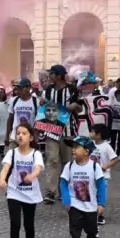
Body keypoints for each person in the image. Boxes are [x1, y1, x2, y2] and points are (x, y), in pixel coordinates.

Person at [0, 124, 44, 238]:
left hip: (31, 194)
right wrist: (2, 180)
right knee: (15, 223)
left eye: (24, 133)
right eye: (18, 133)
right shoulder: (11, 153)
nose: (20, 136)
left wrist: (33, 175)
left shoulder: (35, 154)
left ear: (31, 137)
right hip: (14, 192)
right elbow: (5, 168)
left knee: (29, 224)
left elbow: (38, 168)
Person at [60, 136, 106, 238]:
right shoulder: (69, 167)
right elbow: (63, 183)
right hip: (75, 205)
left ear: (86, 151)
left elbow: (101, 185)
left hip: (90, 207)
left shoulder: (94, 167)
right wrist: (66, 200)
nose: (73, 150)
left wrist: (101, 203)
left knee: (91, 230)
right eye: (72, 148)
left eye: (77, 147)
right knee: (74, 232)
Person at [41, 64, 83, 205]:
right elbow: (44, 108)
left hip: (68, 131)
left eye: (52, 73)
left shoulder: (72, 90)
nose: (50, 76)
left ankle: (64, 188)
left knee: (66, 161)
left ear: (59, 75)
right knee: (52, 160)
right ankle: (50, 191)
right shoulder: (48, 90)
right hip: (51, 129)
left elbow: (80, 108)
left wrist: (75, 106)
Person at [89, 124, 119, 225]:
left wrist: (104, 167)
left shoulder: (106, 146)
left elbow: (115, 159)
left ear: (99, 135)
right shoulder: (89, 144)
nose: (90, 133)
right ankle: (92, 214)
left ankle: (100, 216)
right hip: (90, 175)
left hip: (103, 176)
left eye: (92, 132)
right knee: (92, 194)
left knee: (101, 195)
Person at [5, 78, 38, 150]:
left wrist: (36, 137)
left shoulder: (36, 101)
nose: (17, 91)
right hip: (15, 138)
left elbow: (39, 120)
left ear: (28, 88)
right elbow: (10, 119)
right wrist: (7, 136)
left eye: (20, 88)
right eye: (17, 88)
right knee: (11, 159)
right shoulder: (13, 100)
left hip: (29, 139)